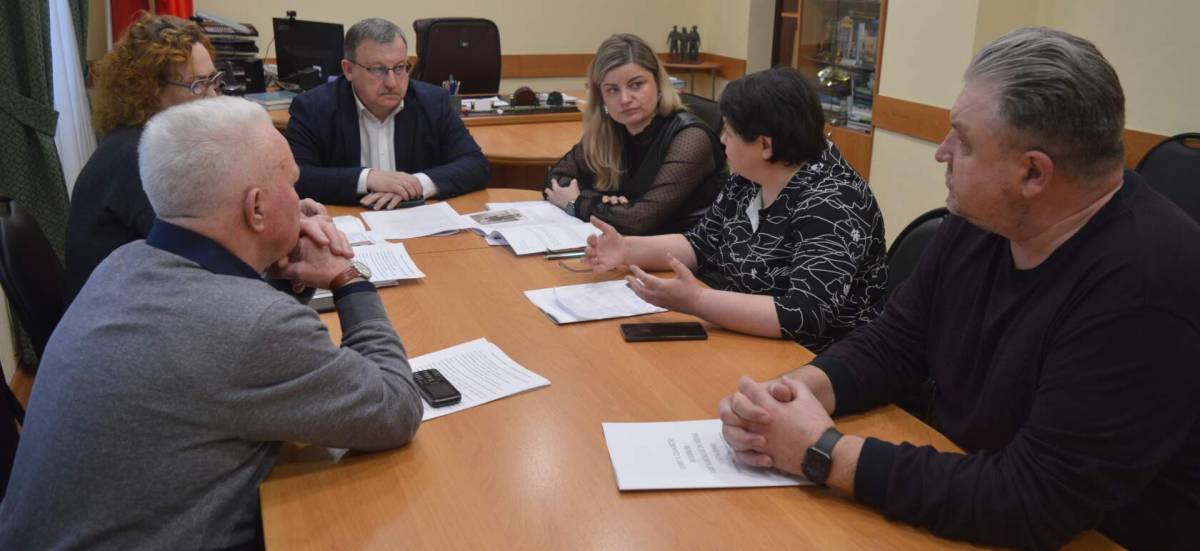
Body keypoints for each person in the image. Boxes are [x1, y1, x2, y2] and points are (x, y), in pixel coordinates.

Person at [717, 27, 1200, 551]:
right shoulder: (984, 220)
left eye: (963, 142)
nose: (942, 153)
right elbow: (894, 342)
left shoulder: (1148, 281)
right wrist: (790, 395)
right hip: (965, 490)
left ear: (1033, 174)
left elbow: (1034, 499)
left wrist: (821, 452)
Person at [0, 97, 425, 548]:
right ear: (256, 209)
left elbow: (241, 346)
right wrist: (347, 277)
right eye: (291, 183)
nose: (303, 202)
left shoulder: (125, 261)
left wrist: (275, 262)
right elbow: (396, 409)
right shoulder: (251, 326)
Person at [584, 67, 886, 352]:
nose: (721, 139)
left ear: (765, 145)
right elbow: (700, 244)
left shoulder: (833, 201)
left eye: (729, 132)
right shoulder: (749, 177)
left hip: (811, 359)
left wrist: (697, 300)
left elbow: (804, 314)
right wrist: (626, 249)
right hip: (745, 337)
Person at [64, 13, 223, 304]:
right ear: (151, 90)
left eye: (214, 81)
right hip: (118, 316)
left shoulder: (141, 141)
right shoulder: (137, 158)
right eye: (199, 85)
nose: (214, 97)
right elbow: (201, 257)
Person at [285, 17, 488, 210]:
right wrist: (368, 179)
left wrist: (417, 184)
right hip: (349, 222)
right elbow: (296, 176)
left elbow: (475, 165)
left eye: (400, 68)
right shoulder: (313, 108)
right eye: (378, 69)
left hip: (416, 219)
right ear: (348, 70)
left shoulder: (433, 102)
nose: (392, 82)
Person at [544, 33, 724, 235]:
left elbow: (639, 220)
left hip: (683, 248)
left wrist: (576, 202)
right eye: (612, 90)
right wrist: (600, 200)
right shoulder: (609, 129)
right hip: (632, 245)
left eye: (636, 85)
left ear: (658, 83)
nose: (625, 99)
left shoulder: (691, 137)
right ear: (601, 97)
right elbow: (555, 179)